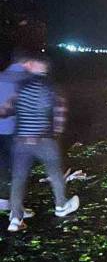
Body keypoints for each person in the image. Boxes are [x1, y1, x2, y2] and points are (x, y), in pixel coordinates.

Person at [5, 56, 78, 232]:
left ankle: (15, 218)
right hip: (44, 139)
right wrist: (55, 134)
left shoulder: (20, 88)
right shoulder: (51, 87)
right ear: (45, 69)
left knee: (18, 179)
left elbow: (6, 109)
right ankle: (61, 206)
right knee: (55, 172)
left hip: (21, 142)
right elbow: (59, 114)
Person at [0, 52, 34, 218]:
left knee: (2, 167)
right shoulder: (23, 79)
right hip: (15, 131)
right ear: (26, 63)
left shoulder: (2, 76)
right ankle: (16, 210)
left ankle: (2, 201)